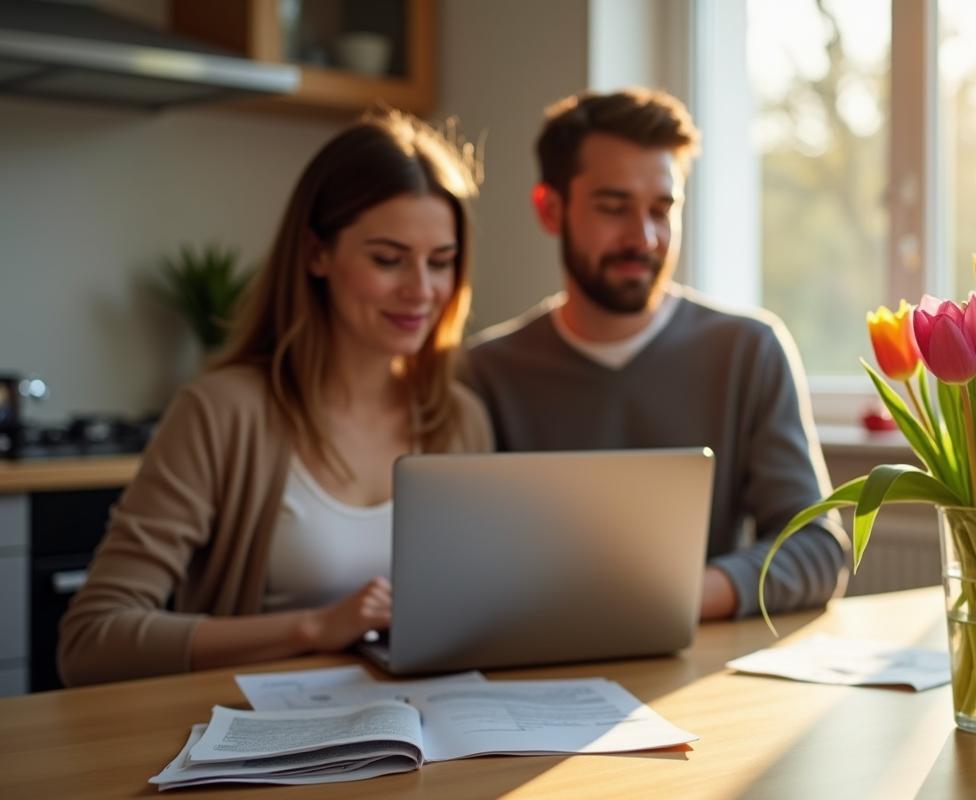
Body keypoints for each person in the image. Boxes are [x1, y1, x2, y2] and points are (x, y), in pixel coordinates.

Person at [59, 111, 493, 687]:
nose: (421, 290)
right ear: (316, 254)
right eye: (388, 259)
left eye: (441, 262)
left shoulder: (460, 419)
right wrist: (311, 629)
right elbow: (91, 641)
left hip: (417, 742)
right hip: (256, 743)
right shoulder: (222, 412)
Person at [463, 88, 848, 621]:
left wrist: (666, 599)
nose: (643, 237)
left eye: (662, 209)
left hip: (697, 667)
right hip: (535, 674)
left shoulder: (749, 350)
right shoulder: (485, 372)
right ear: (551, 210)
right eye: (613, 208)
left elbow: (817, 549)